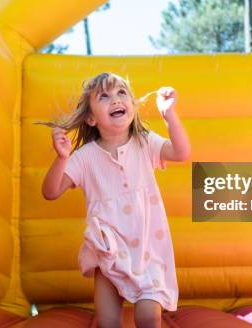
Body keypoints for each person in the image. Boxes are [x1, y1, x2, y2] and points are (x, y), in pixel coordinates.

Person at [41, 72, 191, 328]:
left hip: (147, 250)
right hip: (108, 251)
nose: (116, 99)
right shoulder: (84, 157)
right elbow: (51, 191)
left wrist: (169, 116)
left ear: (132, 105)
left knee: (147, 317)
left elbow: (181, 152)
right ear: (90, 117)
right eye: (105, 96)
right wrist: (62, 157)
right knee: (108, 321)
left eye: (122, 93)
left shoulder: (145, 143)